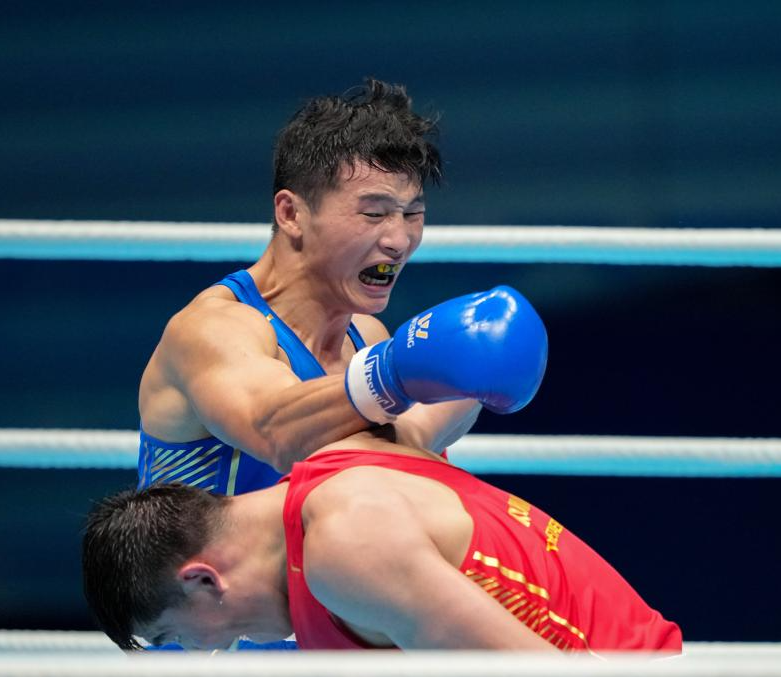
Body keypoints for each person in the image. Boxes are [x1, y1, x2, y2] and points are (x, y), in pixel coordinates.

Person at [138, 78, 515, 497]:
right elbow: (277, 434)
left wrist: (465, 384)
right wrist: (408, 377)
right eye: (374, 213)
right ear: (291, 214)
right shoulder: (211, 330)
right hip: (209, 543)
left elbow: (385, 463)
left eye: (413, 214)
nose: (399, 239)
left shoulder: (366, 336)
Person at [82, 429, 683, 653]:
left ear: (201, 579)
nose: (204, 650)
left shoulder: (346, 546)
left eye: (176, 635)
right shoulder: (337, 460)